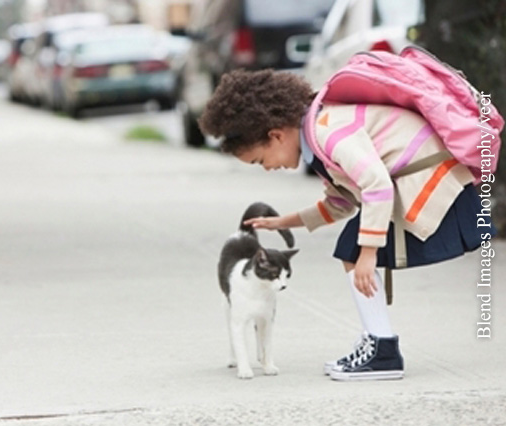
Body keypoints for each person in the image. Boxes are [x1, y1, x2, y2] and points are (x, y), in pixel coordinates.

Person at [198, 69, 495, 381]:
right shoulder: (316, 135)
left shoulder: (329, 131)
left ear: (275, 135)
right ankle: (379, 343)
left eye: (261, 161)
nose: (268, 169)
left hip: (433, 181)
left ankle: (382, 350)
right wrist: (285, 222)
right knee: (352, 247)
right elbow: (341, 202)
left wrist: (369, 253)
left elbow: (377, 186)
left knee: (354, 249)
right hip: (418, 180)